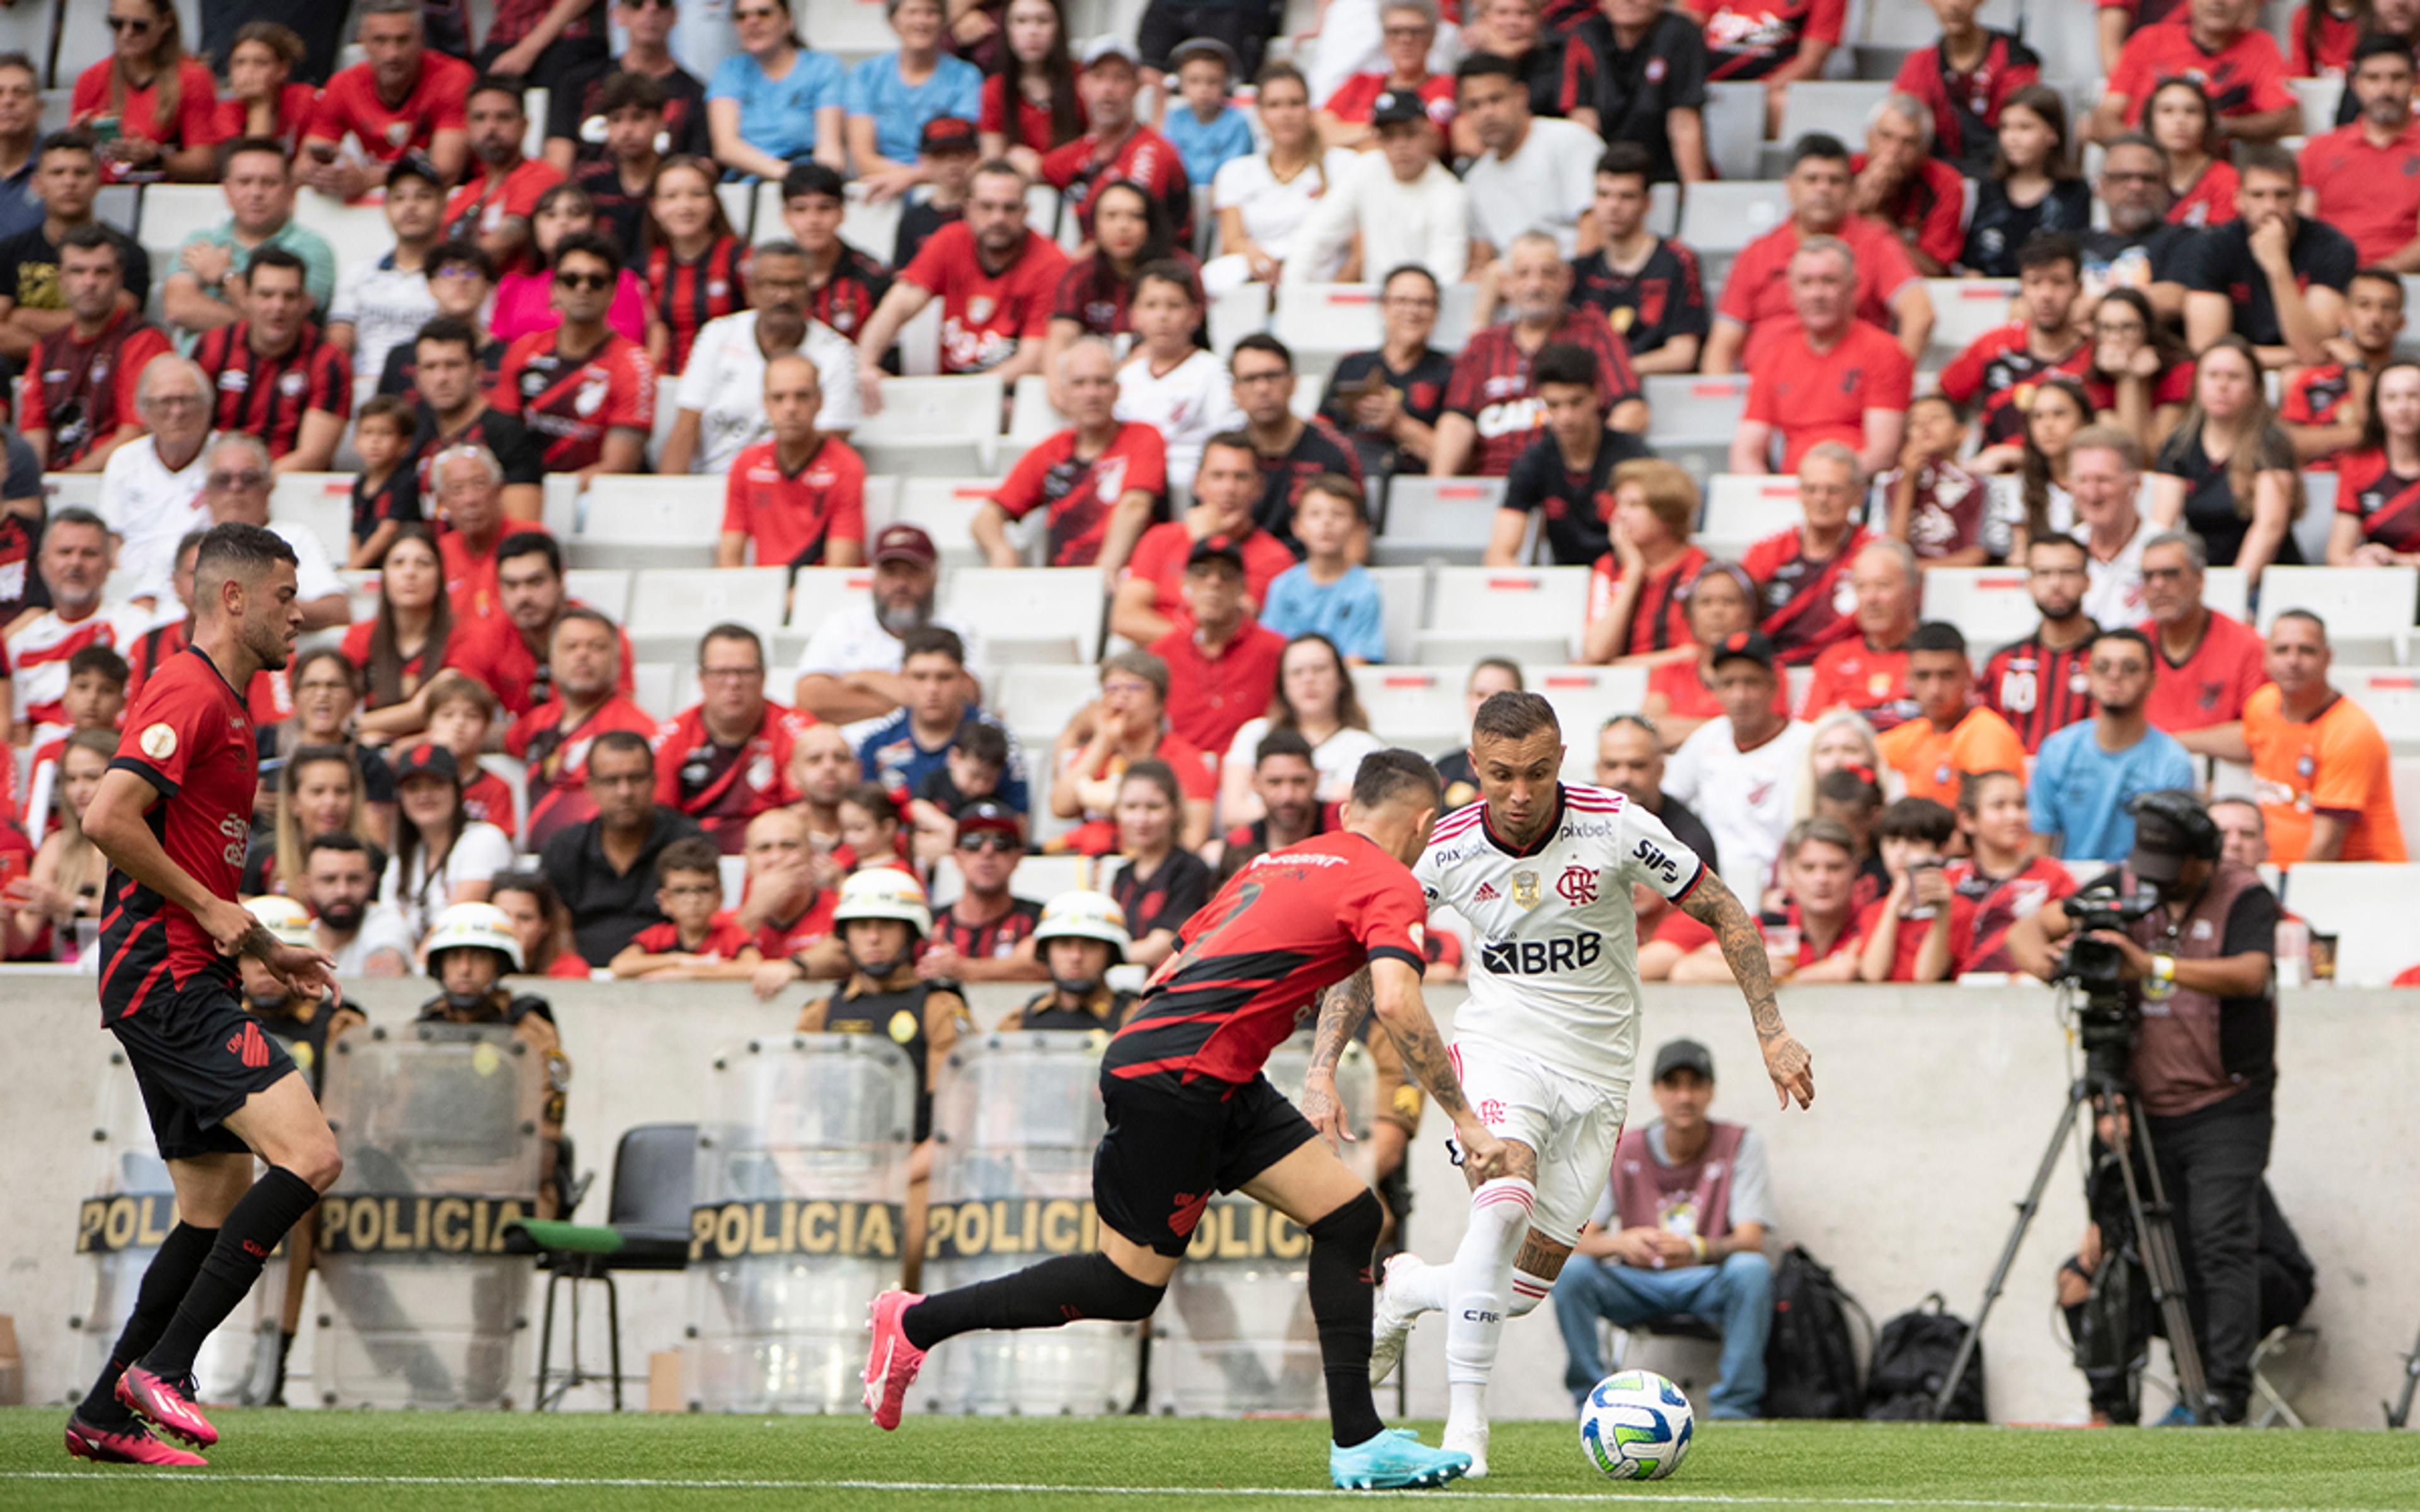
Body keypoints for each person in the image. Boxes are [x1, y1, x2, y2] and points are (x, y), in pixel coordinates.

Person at [865, 750, 1506, 1492]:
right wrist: (1467, 1120)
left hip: (1201, 1067)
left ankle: (1358, 1442)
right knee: (1126, 1287)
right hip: (1185, 1077)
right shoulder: (1388, 879)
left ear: (1345, 810)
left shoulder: (1273, 863)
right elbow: (1396, 1001)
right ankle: (914, 1325)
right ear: (1426, 823)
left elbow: (1174, 964)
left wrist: (1315, 1070)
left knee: (1350, 1217)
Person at [1368, 690, 1811, 1473]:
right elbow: (1363, 952)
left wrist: (1771, 1030)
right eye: (1501, 774)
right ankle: (1465, 1430)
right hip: (1500, 1049)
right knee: (1504, 1202)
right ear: (1475, 767)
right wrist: (1322, 1073)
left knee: (1519, 1290)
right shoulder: (1447, 849)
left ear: (1561, 761)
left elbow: (1725, 911)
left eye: (1538, 772)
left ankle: (1407, 1287)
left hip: (1600, 1073)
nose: (1519, 792)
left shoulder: (1615, 825)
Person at [57, 524, 342, 1469]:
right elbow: (106, 815)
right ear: (234, 598)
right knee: (311, 1154)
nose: (298, 613)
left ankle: (104, 1412)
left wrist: (262, 944)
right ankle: (166, 1371)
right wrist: (216, 912)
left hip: (187, 969)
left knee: (214, 1200)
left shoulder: (232, 704)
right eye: (285, 595)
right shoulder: (188, 687)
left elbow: (187, 862)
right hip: (166, 975)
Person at [2003, 789, 2281, 1424]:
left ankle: (2222, 1395)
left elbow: (2250, 974)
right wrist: (2045, 961)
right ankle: (2111, 1400)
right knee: (2121, 1243)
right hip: (2136, 1106)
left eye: (2169, 869)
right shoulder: (2125, 883)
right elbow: (2027, 929)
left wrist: (2148, 964)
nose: (2153, 883)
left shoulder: (2244, 896)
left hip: (2226, 1104)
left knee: (2219, 1243)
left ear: (2201, 858)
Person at [1548, 1036, 1774, 1415]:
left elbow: (1752, 1240)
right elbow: (1578, 1241)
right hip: (1636, 1282)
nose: (1684, 1097)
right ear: (1655, 1092)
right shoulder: (1625, 1147)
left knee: (1752, 1271)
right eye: (1673, 1085)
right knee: (1571, 1273)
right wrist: (1623, 1242)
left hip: (1705, 1279)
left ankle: (1736, 1408)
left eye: (1695, 1085)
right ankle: (1591, 1402)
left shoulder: (1740, 1144)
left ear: (1710, 1092)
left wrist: (1697, 1248)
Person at [803, 869, 974, 1282]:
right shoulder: (819, 1015)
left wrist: (888, 1180)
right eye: (862, 927)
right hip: (829, 1168)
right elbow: (785, 1113)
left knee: (905, 1242)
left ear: (911, 933)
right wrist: (805, 1180)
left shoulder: (939, 1008)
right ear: (846, 935)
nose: (874, 938)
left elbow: (957, 1126)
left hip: (914, 1169)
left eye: (887, 927)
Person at [1701, 134, 1932, 375]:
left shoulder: (1875, 243)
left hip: (1848, 394)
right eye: (1812, 179)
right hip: (1767, 396)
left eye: (1835, 181)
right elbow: (1721, 347)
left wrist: (1892, 384)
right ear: (1790, 186)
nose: (1823, 189)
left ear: (1851, 188)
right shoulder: (1757, 253)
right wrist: (1722, 407)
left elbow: (1920, 314)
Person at [413, 902, 571, 1222]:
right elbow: (392, 1113)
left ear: (500, 964)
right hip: (427, 1175)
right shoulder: (420, 1030)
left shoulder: (531, 1030)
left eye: (479, 957)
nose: (465, 969)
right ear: (439, 966)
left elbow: (544, 1134)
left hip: (510, 1177)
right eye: (454, 957)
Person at [1438, 240, 1646, 480]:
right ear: (1506, 284)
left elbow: (1630, 410)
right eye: (1523, 274)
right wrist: (1439, 495)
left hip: (1568, 483)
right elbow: (1456, 422)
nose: (1535, 285)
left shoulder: (1595, 333)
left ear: (1566, 279)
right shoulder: (1483, 346)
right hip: (1494, 483)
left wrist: (1593, 479)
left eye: (1548, 273)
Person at [855, 159, 1068, 391]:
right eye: (987, 207)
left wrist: (969, 395)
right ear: (968, 209)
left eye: (1010, 208)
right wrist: (866, 364)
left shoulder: (1052, 263)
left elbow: (1032, 360)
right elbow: (898, 305)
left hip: (1012, 393)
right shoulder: (949, 240)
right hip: (953, 384)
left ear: (1026, 211)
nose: (998, 218)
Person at [666, 242, 864, 475]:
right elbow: (685, 427)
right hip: (711, 485)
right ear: (751, 290)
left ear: (811, 291)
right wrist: (668, 501)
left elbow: (829, 448)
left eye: (795, 284)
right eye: (773, 284)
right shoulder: (718, 335)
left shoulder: (837, 353)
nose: (784, 295)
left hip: (788, 490)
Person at [1730, 238, 1911, 479]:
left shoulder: (1884, 350)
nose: (1817, 294)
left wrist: (1822, 488)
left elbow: (1882, 453)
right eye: (1806, 283)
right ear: (1791, 293)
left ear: (1853, 288)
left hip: (1857, 488)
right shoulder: (1774, 355)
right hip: (1791, 489)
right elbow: (1745, 452)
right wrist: (1767, 495)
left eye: (1829, 281)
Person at [981, 339, 1163, 573]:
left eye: (1102, 382)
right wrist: (1001, 550)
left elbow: (1135, 507)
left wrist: (1102, 572)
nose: (1092, 393)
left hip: (1125, 579)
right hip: (1062, 583)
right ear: (1064, 393)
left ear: (1118, 390)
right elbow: (987, 516)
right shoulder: (1052, 450)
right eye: (1080, 383)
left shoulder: (1143, 436)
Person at [2244, 610, 2406, 865]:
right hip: (2272, 871)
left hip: (2351, 877)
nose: (2293, 661)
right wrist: (2176, 739)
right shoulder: (2262, 703)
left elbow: (2327, 845)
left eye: (2307, 651)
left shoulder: (2350, 730)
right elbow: (2248, 740)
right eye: (2282, 650)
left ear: (2328, 658)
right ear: (2265, 657)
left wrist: (2282, 898)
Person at [1661, 631, 1815, 899]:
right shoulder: (1708, 737)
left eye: (1751, 682)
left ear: (1772, 684)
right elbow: (1666, 800)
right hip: (1709, 887)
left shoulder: (1807, 742)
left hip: (1782, 891)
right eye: (1729, 683)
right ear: (1716, 689)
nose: (1740, 696)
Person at [490, 231, 656, 478]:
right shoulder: (524, 350)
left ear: (613, 291)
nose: (583, 288)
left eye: (596, 281)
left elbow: (618, 466)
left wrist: (552, 493)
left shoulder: (634, 364)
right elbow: (501, 438)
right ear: (554, 289)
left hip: (594, 499)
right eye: (571, 280)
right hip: (524, 487)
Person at [538, 727, 709, 962]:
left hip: (670, 980)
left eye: (636, 778)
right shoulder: (562, 848)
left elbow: (705, 926)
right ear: (590, 788)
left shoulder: (689, 841)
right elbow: (553, 931)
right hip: (580, 985)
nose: (625, 792)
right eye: (611, 781)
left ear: (654, 781)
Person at [790, 524, 983, 728]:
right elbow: (810, 699)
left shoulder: (957, 628)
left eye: (912, 572)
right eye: (890, 572)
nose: (901, 584)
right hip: (847, 753)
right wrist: (913, 705)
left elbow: (966, 696)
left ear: (935, 575)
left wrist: (866, 678)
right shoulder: (841, 624)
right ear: (874, 576)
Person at [2030, 629, 2198, 863]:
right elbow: (2039, 847)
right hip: (2069, 887)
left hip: (2141, 888)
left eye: (2130, 668)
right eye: (2102, 667)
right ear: (2088, 677)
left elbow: (2171, 856)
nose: (2115, 675)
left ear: (2151, 680)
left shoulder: (2173, 762)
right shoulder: (2057, 750)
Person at [1109, 436, 1297, 644]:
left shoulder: (1275, 558)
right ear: (1198, 484)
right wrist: (1191, 646)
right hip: (1157, 665)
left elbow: (1227, 627)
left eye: (1241, 477)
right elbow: (1125, 618)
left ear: (1259, 487)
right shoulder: (1160, 538)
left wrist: (1207, 543)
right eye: (1218, 476)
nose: (1229, 488)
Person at [2146, 336, 2302, 585]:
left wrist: (2234, 589)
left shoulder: (2271, 443)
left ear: (2255, 388)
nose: (2222, 385)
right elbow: (2163, 524)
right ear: (2197, 384)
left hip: (2263, 579)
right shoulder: (2179, 444)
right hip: (2201, 577)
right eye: (2213, 375)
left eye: (2234, 377)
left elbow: (2269, 528)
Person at [2182, 147, 2354, 370]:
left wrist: (2278, 267)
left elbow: (2314, 350)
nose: (2270, 207)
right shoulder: (2211, 245)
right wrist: (2291, 356)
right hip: (2233, 369)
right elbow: (2207, 349)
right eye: (2258, 195)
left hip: (2297, 369)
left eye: (2281, 195)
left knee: (2294, 377)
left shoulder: (2332, 247)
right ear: (2239, 199)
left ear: (2297, 198)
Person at [18, 227, 171, 473]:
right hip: (55, 483)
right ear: (61, 279)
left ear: (120, 278)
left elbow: (135, 433)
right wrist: (40, 484)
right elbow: (34, 432)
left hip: (118, 478)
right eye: (78, 271)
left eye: (102, 272)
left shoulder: (143, 340)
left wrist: (69, 482)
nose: (89, 282)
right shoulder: (45, 348)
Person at [1489, 344, 1652, 568]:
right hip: (1563, 585)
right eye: (1554, 405)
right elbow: (1499, 554)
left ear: (1597, 395)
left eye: (1576, 402)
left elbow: (1657, 544)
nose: (1566, 417)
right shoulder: (1534, 460)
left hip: (1625, 576)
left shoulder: (1633, 456)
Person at [1284, 91, 1469, 289]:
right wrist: (1292, 293)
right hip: (1375, 303)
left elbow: (1443, 275)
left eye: (1410, 133)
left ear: (1429, 134)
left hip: (1423, 309)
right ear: (1377, 140)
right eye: (1389, 136)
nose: (1401, 145)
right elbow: (1316, 234)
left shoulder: (1450, 194)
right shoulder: (1366, 169)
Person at [161, 139, 333, 342]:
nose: (256, 193)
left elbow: (293, 318)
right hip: (195, 368)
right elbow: (179, 309)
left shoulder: (312, 248)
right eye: (244, 182)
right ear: (226, 190)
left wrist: (225, 276)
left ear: (290, 191)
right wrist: (263, 324)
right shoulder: (202, 240)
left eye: (269, 183)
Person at [0, 132, 152, 362]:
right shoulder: (9, 251)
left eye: (81, 173)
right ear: (37, 184)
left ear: (99, 180)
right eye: (58, 173)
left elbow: (114, 320)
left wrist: (23, 318)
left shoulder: (126, 252)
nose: (69, 182)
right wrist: (63, 348)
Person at [1047, 650, 1217, 854]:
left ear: (1160, 703)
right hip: (1095, 859)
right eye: (1112, 688)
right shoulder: (1097, 751)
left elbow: (1193, 836)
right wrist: (1104, 740)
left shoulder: (1184, 758)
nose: (1121, 697)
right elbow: (1060, 806)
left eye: (1135, 688)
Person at [300, 0, 473, 199]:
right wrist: (324, 176)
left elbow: (445, 171)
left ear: (421, 39)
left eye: (403, 40)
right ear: (362, 41)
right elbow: (304, 164)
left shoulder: (453, 77)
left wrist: (369, 180)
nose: (392, 54)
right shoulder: (343, 84)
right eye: (380, 41)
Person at [1206, 63, 1351, 291]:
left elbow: (1358, 243)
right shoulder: (1237, 171)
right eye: (1274, 105)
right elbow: (1232, 240)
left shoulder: (1342, 164)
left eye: (1295, 103)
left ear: (1310, 109)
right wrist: (1251, 252)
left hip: (1319, 278)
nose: (1286, 114)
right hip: (1258, 275)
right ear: (1260, 113)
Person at [1669, 815, 1863, 983]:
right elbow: (1686, 970)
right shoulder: (1771, 924)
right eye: (1808, 868)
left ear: (1854, 870)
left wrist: (1787, 981)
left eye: (1835, 868)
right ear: (1788, 873)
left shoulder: (1869, 921)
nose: (1822, 879)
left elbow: (1846, 969)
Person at [717, 355, 868, 572]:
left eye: (802, 396)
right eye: (779, 398)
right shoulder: (747, 465)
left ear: (820, 401)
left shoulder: (846, 467)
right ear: (765, 404)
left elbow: (838, 570)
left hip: (819, 599)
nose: (790, 407)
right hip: (765, 594)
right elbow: (729, 561)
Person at [1939, 232, 2088, 449]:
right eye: (2035, 282)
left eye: (2058, 282)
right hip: (1995, 477)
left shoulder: (2094, 358)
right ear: (2022, 288)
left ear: (2078, 288)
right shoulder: (1993, 346)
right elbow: (1942, 394)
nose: (2046, 294)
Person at [1569, 145, 1708, 375]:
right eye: (1604, 195)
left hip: (1653, 391)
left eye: (1627, 196)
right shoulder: (1581, 270)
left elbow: (1683, 354)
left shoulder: (1678, 262)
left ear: (1647, 202)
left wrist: (1613, 374)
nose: (1613, 206)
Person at [328, 157, 445, 427]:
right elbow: (338, 344)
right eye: (399, 198)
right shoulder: (358, 273)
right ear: (385, 207)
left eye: (423, 197)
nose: (411, 207)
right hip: (363, 396)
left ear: (443, 205)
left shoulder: (456, 277)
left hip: (428, 398)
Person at [856, 626, 1027, 809]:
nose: (932, 689)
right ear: (903, 678)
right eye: (920, 677)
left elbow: (1018, 824)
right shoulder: (877, 740)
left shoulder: (998, 739)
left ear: (963, 679)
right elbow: (864, 821)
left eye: (944, 677)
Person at [1218, 632, 1382, 820]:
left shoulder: (1363, 746)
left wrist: (1274, 813)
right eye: (1297, 672)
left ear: (1341, 679)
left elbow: (1334, 818)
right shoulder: (1254, 733)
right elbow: (1231, 814)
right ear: (1283, 684)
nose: (1309, 679)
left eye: (1319, 669)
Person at [1148, 541, 1286, 763]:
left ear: (1243, 586)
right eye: (1202, 573)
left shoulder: (1276, 650)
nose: (1214, 583)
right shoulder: (1160, 654)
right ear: (1185, 583)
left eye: (1226, 575)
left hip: (1249, 778)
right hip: (1179, 778)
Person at [2090, 0, 2296, 146]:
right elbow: (2105, 117)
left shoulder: (2259, 45)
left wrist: (2218, 127)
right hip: (2146, 168)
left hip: (2212, 168)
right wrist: (2142, 148)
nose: (2218, 2)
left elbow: (2287, 119)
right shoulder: (2149, 40)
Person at [1456, 55, 1599, 266]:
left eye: (1496, 99)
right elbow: (1482, 260)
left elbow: (1597, 225)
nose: (1487, 113)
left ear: (1521, 96)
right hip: (1515, 290)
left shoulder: (1569, 140)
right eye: (1474, 105)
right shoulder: (1476, 180)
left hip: (1575, 280)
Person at [1041, 37, 1190, 238]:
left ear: (1137, 86)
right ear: (1082, 85)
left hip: (1148, 265)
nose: (1108, 89)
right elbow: (1041, 168)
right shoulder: (1084, 149)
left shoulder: (1154, 152)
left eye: (1120, 78)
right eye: (1098, 76)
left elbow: (1123, 235)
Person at [1741, 443, 1875, 666]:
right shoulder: (1765, 552)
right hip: (1772, 670)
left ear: (1858, 495)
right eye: (1811, 489)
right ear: (1800, 493)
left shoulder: (1875, 554)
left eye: (1833, 490)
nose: (1821, 499)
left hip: (1849, 670)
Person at [8, 512, 134, 747]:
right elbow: (18, 734)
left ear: (110, 563)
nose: (75, 563)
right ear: (42, 564)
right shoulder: (20, 643)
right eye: (65, 552)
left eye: (89, 554)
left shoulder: (137, 629)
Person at [1230, 335, 1365, 547]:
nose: (1262, 388)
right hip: (1240, 573)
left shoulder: (1333, 451)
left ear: (1293, 382)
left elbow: (1357, 535)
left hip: (1314, 573)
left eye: (1272, 376)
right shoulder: (1224, 455)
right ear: (1234, 392)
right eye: (1250, 379)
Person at [546, 3, 713, 173]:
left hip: (661, 197)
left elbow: (701, 171)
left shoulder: (697, 94)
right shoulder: (578, 82)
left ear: (674, 15)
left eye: (661, 3)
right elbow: (557, 166)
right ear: (617, 14)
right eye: (637, 3)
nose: (651, 10)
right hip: (584, 197)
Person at [1559, 0, 1712, 185]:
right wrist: (1589, 194)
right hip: (1608, 178)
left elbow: (1684, 123)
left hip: (1665, 175)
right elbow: (1583, 124)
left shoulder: (1682, 33)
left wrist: (1694, 197)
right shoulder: (1584, 35)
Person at [2298, 37, 2420, 268]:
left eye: (2397, 78)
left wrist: (2376, 274)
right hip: (2329, 279)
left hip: (2406, 283)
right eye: (2373, 78)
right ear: (2355, 83)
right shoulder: (2318, 149)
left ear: (2415, 80)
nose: (2386, 89)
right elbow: (2303, 226)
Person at [1874, 622, 2026, 806]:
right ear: (1908, 678)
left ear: (1969, 673)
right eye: (1923, 676)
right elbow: (1865, 753)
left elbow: (1987, 824)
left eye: (1947, 675)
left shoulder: (1986, 735)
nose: (1935, 690)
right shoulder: (1917, 733)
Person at [844, 0, 983, 200]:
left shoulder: (965, 77)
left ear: (944, 21)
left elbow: (963, 155)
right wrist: (911, 176)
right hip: (881, 186)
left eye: (931, 12)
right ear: (893, 21)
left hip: (948, 189)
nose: (921, 21)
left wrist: (909, 178)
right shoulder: (865, 74)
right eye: (912, 12)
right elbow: (863, 157)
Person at [69, 0, 222, 183]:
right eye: (117, 24)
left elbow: (203, 165)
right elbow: (68, 162)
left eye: (139, 26)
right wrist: (79, 142)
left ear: (165, 23)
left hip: (166, 195)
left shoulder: (193, 78)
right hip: (106, 194)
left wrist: (156, 157)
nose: (127, 34)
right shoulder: (91, 79)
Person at [1978, 533, 2100, 753]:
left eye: (2068, 572)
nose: (2055, 584)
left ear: (2087, 581)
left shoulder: (2112, 659)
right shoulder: (2003, 662)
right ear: (2029, 583)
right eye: (2044, 573)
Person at [382, 742, 515, 940]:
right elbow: (390, 929)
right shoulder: (401, 859)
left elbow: (455, 925)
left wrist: (416, 969)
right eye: (413, 787)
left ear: (457, 789)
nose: (424, 795)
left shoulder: (484, 839)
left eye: (436, 783)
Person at [1892, 0, 2039, 177]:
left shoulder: (2012, 58)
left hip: (2006, 176)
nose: (1953, 4)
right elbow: (1901, 125)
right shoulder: (1919, 63)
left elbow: (2024, 126)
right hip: (1936, 178)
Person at [1948, 767, 2077, 969]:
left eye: (2021, 805)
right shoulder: (1951, 881)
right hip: (1961, 995)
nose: (2014, 816)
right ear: (1967, 820)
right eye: (1999, 806)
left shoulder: (2053, 876)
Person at [705, 0, 844, 181]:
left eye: (764, 13)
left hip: (811, 180)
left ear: (788, 21)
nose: (752, 22)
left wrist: (819, 183)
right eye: (741, 16)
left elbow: (830, 147)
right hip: (746, 184)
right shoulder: (728, 71)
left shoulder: (823, 68)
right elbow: (726, 147)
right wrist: (791, 177)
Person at [493, 183, 650, 346]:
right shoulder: (512, 287)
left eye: (575, 214)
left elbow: (629, 343)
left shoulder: (620, 281)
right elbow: (499, 353)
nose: (563, 222)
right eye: (550, 215)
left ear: (595, 223)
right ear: (534, 228)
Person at [1961, 85, 2089, 278]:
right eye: (2005, 127)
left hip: (2049, 299)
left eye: (2025, 127)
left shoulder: (2074, 190)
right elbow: (1973, 264)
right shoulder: (1989, 188)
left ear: (2053, 133)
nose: (2012, 138)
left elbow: (2078, 259)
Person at [10, 729, 116, 959]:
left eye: (92, 777)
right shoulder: (56, 845)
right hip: (67, 979)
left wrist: (74, 905)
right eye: (71, 779)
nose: (79, 790)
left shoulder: (143, 843)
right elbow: (21, 940)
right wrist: (6, 919)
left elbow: (137, 914)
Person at [2284, 268, 2404, 471]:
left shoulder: (2409, 382)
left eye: (2387, 307)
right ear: (2345, 317)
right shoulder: (2312, 380)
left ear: (2401, 322)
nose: (2375, 317)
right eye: (2364, 305)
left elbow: (2386, 438)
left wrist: (2356, 366)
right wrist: (2360, 433)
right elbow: (2288, 444)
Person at [441, 79, 563, 273]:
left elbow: (502, 242)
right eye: (480, 118)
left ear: (524, 125)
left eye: (503, 117)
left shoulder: (541, 176)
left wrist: (448, 270)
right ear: (467, 126)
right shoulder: (464, 195)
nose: (491, 128)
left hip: (520, 297)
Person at [916, 800, 1046, 981]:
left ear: (1018, 856)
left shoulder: (1041, 919)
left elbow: (1046, 966)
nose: (987, 851)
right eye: (973, 842)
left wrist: (962, 969)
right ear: (957, 856)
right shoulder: (929, 923)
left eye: (1002, 843)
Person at [1797, 541, 1921, 730]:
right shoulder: (1833, 660)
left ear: (1914, 591)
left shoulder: (1937, 659)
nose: (1871, 598)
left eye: (1883, 585)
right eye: (1861, 587)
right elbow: (1807, 733)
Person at [1262, 477, 1385, 663]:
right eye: (1315, 514)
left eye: (1338, 514)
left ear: (1355, 526)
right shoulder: (1282, 586)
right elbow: (1269, 652)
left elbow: (1358, 658)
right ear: (1297, 527)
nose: (1327, 522)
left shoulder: (1365, 589)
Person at [1106, 759, 1213, 966]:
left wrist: (1102, 956)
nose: (1141, 818)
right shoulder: (1122, 874)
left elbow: (1162, 947)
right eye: (1131, 807)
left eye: (1153, 807)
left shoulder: (1191, 869)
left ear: (1174, 810)